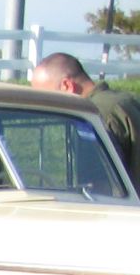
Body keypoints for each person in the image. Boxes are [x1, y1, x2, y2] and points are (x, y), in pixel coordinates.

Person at [31, 52, 140, 184]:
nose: (45, 107)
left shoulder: (91, 116)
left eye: (46, 98)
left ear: (67, 86)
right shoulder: (127, 101)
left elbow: (101, 184)